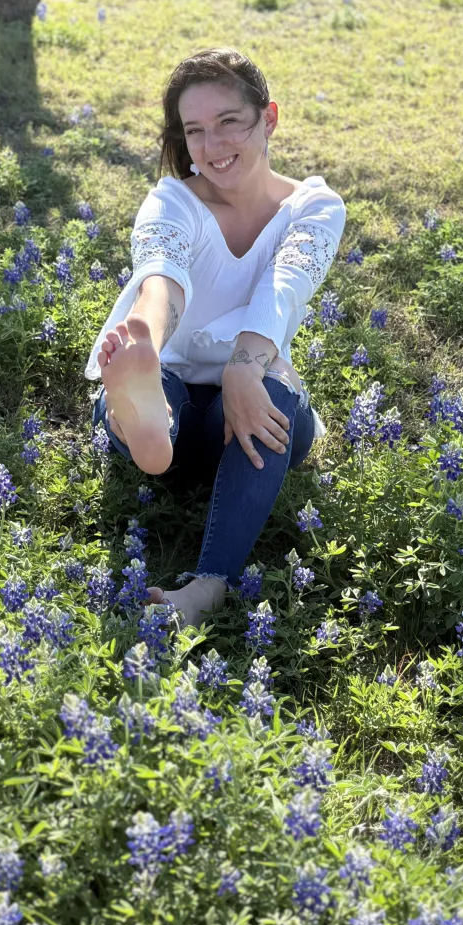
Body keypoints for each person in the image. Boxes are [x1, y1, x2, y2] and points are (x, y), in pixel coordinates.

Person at [86, 47, 346, 627]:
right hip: (174, 386)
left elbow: (283, 288)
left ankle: (211, 582)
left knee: (274, 396)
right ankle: (145, 409)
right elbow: (163, 281)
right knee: (162, 382)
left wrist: (244, 368)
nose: (212, 145)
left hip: (244, 408)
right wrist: (144, 343)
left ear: (269, 117)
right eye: (195, 131)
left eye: (230, 121)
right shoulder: (172, 199)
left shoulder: (315, 208)